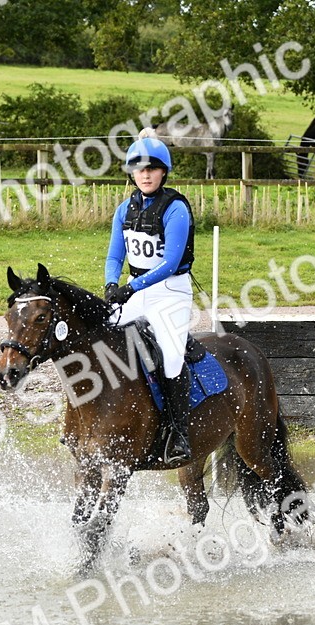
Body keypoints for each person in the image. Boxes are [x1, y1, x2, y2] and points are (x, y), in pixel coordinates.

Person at [103, 136, 195, 467]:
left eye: (152, 169)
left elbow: (169, 263)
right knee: (101, 341)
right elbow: (115, 256)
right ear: (132, 173)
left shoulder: (176, 209)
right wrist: (111, 283)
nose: (146, 174)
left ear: (163, 172)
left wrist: (131, 287)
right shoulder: (123, 210)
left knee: (171, 358)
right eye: (140, 169)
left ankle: (178, 433)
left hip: (171, 292)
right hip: (135, 290)